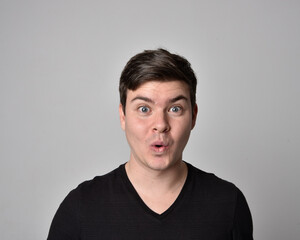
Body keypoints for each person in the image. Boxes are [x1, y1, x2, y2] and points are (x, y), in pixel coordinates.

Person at [47, 49, 253, 239]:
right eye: (144, 109)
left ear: (193, 116)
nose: (160, 125)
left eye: (175, 109)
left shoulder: (228, 204)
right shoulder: (81, 207)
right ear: (123, 116)